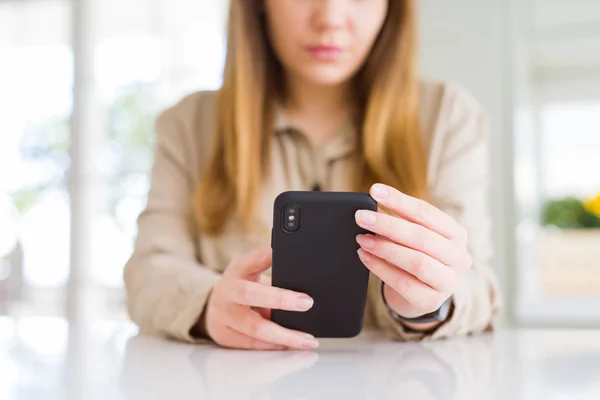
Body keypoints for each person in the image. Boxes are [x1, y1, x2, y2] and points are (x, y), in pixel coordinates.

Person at [124, 0, 501, 350]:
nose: (330, 19)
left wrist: (427, 305)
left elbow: (479, 282)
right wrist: (208, 305)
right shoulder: (190, 125)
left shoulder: (447, 118)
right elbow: (149, 272)